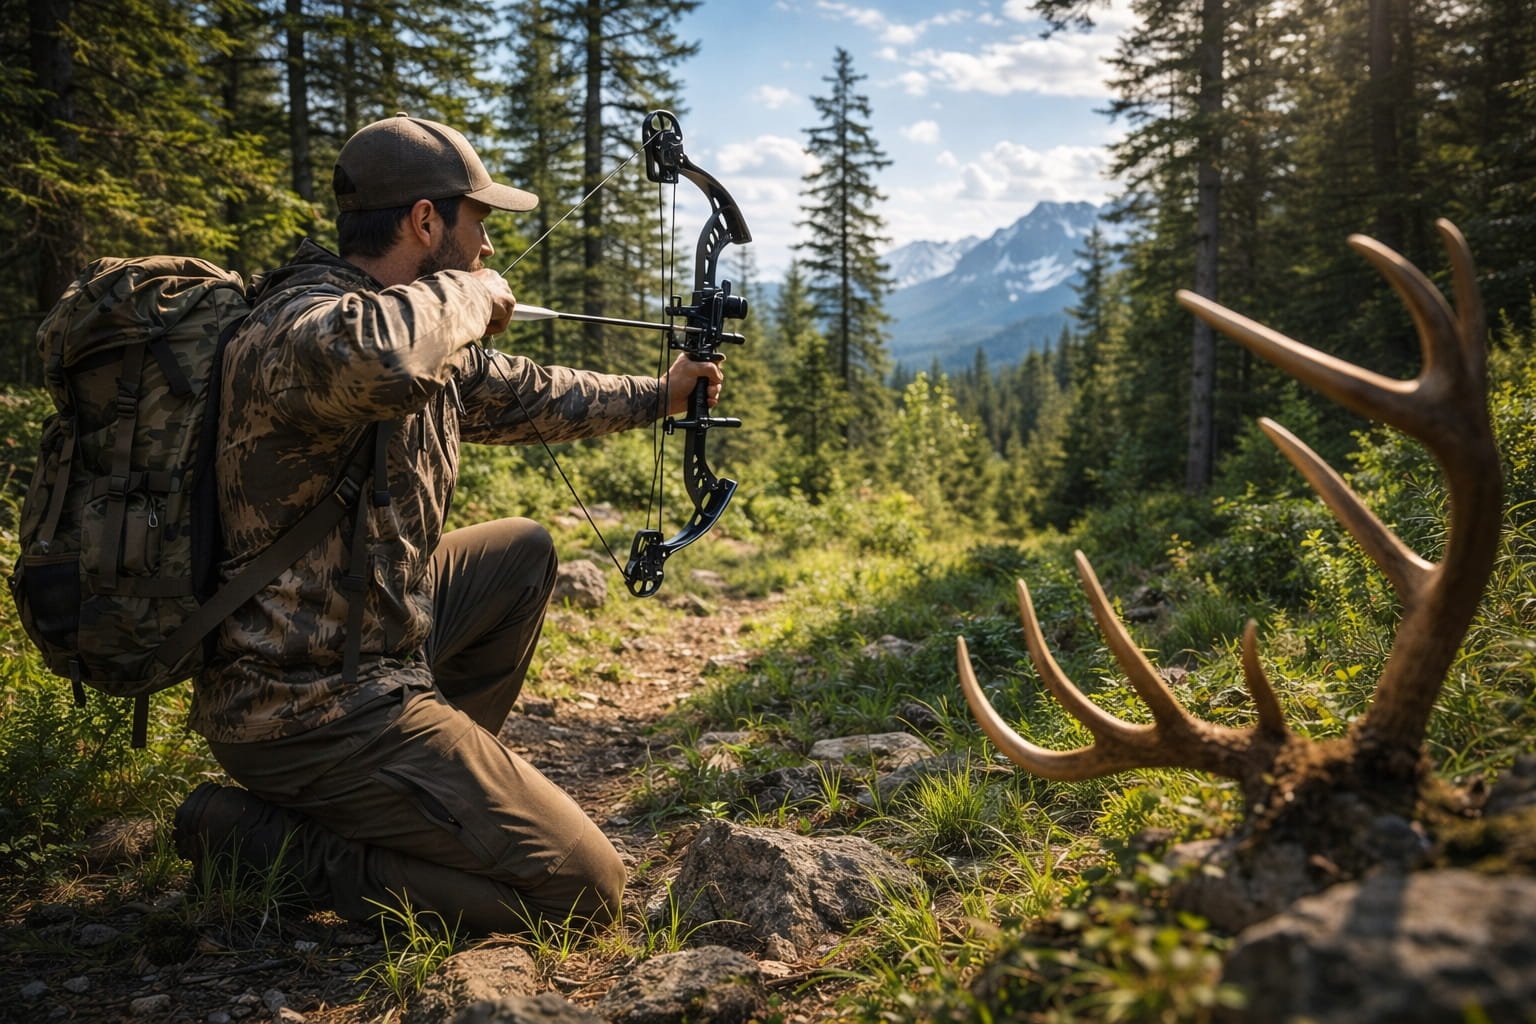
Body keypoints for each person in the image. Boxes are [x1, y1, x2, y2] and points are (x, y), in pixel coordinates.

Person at [172, 113, 722, 935]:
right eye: (480, 225)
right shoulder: (300, 328)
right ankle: (270, 845)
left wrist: (662, 395)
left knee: (520, 553)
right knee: (585, 892)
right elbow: (378, 354)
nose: (489, 249)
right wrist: (469, 294)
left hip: (372, 650)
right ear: (425, 222)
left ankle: (426, 798)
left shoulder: (418, 337)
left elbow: (534, 392)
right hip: (301, 706)